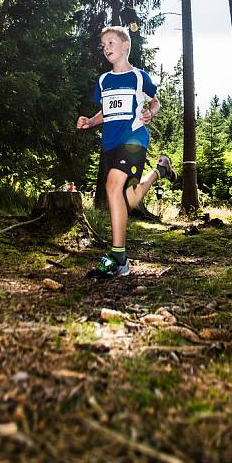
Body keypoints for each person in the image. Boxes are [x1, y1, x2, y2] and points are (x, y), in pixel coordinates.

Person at [77, 26, 177, 279]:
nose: (106, 48)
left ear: (125, 46)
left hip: (134, 138)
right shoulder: (103, 80)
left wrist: (150, 113)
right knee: (128, 199)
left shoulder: (139, 77)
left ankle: (119, 258)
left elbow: (156, 102)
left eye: (110, 42)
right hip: (110, 144)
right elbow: (106, 111)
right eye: (103, 45)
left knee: (112, 186)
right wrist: (90, 121)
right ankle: (160, 170)